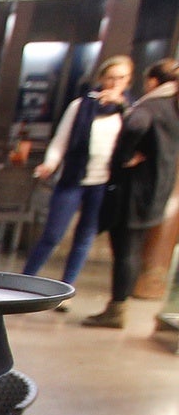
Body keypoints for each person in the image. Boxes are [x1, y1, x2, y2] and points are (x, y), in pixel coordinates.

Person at [24, 56, 134, 303]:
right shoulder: (81, 106)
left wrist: (124, 107)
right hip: (74, 178)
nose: (116, 83)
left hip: (104, 181)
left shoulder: (128, 111)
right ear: (102, 78)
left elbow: (136, 138)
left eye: (122, 78)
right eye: (111, 77)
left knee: (85, 236)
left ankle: (66, 289)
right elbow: (61, 140)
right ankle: (26, 280)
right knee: (53, 234)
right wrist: (50, 164)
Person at [85, 58, 179, 330]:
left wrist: (124, 157)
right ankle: (119, 305)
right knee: (134, 250)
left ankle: (116, 308)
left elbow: (136, 124)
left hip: (134, 191)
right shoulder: (173, 107)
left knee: (125, 250)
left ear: (152, 81)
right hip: (157, 191)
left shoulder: (151, 105)